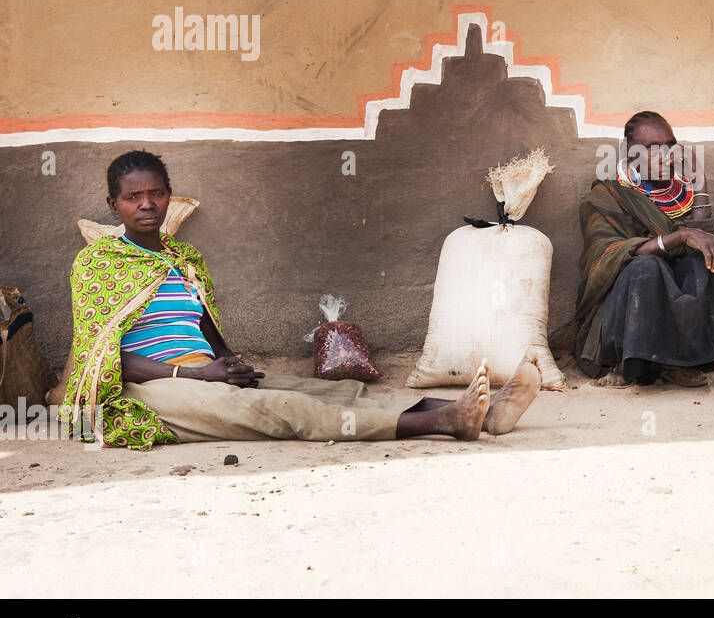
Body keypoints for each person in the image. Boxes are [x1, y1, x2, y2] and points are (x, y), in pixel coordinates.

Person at [63, 150, 541, 451]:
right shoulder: (98, 263)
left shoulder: (184, 256)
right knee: (284, 412)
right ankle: (445, 421)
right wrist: (193, 374)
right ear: (114, 205)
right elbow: (104, 358)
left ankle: (491, 411)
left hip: (201, 369)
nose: (147, 205)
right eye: (133, 197)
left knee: (330, 391)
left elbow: (204, 324)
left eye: (157, 193)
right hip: (150, 388)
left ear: (169, 197)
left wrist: (226, 360)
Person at [574, 111, 714, 387]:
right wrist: (680, 237)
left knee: (707, 257)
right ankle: (628, 363)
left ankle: (679, 362)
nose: (664, 155)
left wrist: (700, 180)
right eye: (652, 149)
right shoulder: (606, 195)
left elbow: (702, 239)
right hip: (624, 303)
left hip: (671, 292)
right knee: (647, 267)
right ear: (631, 155)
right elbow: (608, 255)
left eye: (669, 146)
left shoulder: (682, 190)